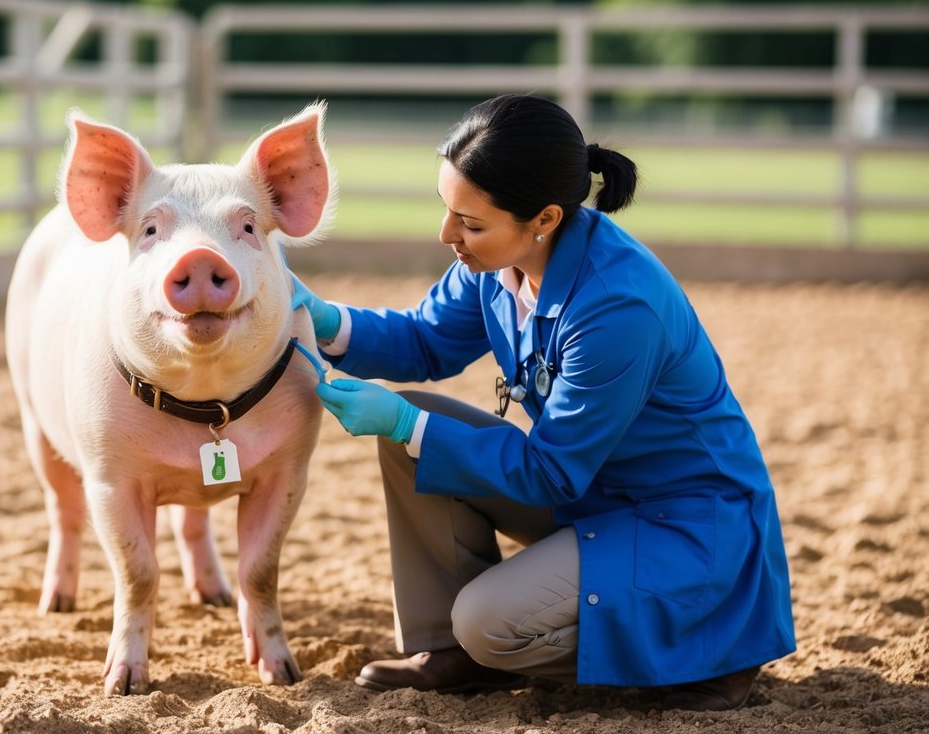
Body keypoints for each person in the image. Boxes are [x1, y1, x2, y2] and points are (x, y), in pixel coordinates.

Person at [291, 94, 796, 711]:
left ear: (546, 218)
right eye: (449, 211)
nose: (447, 234)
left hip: (684, 525)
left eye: (470, 223)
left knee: (487, 620)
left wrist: (405, 419)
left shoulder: (617, 307)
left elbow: (551, 471)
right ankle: (450, 654)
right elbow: (424, 339)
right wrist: (320, 318)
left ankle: (706, 651)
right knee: (416, 434)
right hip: (597, 492)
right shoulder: (495, 260)